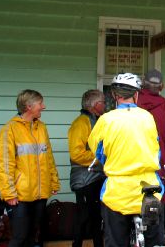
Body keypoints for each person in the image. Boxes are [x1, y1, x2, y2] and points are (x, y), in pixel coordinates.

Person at [88, 73, 165, 247]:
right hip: (148, 189)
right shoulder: (148, 117)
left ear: (115, 95)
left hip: (118, 192)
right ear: (136, 94)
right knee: (155, 239)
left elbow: (97, 150)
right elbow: (157, 149)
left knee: (114, 240)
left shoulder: (106, 120)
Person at [0, 89, 60, 247]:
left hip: (40, 193)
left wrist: (54, 181)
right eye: (40, 103)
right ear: (29, 106)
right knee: (19, 237)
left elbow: (48, 157)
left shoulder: (41, 128)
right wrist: (9, 193)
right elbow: (4, 165)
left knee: (33, 235)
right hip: (20, 195)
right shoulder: (9, 129)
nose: (43, 106)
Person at [68, 90, 107, 247]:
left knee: (96, 218)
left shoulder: (95, 121)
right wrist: (101, 158)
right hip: (84, 180)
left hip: (95, 177)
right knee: (83, 218)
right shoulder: (81, 123)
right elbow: (76, 154)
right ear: (95, 105)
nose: (105, 105)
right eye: (103, 102)